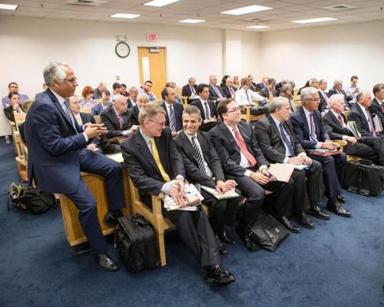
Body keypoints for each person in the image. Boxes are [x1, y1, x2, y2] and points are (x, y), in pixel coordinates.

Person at [24, 62, 125, 271]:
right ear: (55, 83)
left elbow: (66, 129)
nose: (76, 83)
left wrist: (84, 128)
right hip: (54, 162)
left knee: (115, 168)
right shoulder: (43, 105)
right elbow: (54, 146)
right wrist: (85, 136)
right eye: (71, 80)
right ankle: (100, 252)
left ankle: (115, 214)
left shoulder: (59, 99)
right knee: (88, 204)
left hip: (72, 152)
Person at [121, 104, 235, 285]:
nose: (165, 126)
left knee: (198, 211)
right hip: (157, 193)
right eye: (160, 123)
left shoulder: (164, 133)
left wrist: (180, 179)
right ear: (146, 122)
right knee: (184, 217)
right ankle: (211, 267)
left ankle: (213, 265)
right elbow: (138, 178)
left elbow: (176, 158)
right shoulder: (129, 146)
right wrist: (166, 187)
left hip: (179, 185)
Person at [210, 99, 295, 246]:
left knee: (286, 182)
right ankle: (245, 226)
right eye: (234, 110)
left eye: (238, 108)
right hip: (238, 172)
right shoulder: (216, 133)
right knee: (257, 194)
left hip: (255, 167)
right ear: (224, 115)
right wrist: (252, 175)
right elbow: (226, 163)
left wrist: (263, 167)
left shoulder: (245, 126)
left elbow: (257, 150)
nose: (238, 112)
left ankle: (278, 216)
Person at [174, 105, 240, 252]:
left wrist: (220, 180)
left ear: (200, 122)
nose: (189, 125)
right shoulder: (177, 141)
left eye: (193, 121)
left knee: (235, 196)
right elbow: (191, 169)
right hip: (197, 182)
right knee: (219, 203)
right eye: (185, 121)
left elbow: (215, 160)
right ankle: (215, 235)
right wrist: (213, 184)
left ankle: (225, 229)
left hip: (213, 178)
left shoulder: (205, 136)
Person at [254, 97, 323, 227]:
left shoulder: (286, 121)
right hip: (277, 162)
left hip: (293, 158)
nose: (291, 111)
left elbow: (296, 141)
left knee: (316, 166)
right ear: (277, 110)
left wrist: (302, 154)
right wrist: (288, 160)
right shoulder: (263, 124)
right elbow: (266, 149)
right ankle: (298, 212)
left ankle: (313, 204)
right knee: (299, 174)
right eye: (287, 108)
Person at [290, 87, 351, 218]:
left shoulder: (317, 113)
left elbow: (323, 131)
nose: (319, 102)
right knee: (328, 160)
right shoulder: (296, 117)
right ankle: (332, 200)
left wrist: (328, 142)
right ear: (306, 101)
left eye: (318, 98)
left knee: (341, 156)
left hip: (320, 146)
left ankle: (335, 189)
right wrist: (321, 144)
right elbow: (299, 141)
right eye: (316, 99)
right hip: (307, 149)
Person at [323, 94, 384, 185]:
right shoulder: (327, 118)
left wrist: (356, 134)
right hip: (345, 144)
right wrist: (345, 137)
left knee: (376, 142)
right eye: (341, 103)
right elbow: (329, 133)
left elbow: (350, 128)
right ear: (333, 105)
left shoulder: (341, 115)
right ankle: (381, 176)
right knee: (374, 151)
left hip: (355, 138)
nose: (344, 105)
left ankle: (382, 174)